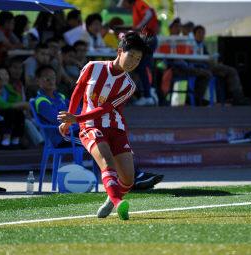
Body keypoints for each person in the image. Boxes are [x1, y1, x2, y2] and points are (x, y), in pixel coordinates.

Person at [57, 32, 152, 220]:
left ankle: (112, 197)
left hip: (116, 128)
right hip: (90, 125)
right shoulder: (92, 67)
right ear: (119, 52)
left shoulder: (129, 86)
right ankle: (118, 203)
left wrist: (75, 118)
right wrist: (71, 118)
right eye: (131, 55)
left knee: (128, 179)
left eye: (138, 59)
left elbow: (106, 108)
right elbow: (78, 91)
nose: (134, 61)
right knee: (107, 163)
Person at [35, 65, 163, 190]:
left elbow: (81, 111)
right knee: (105, 144)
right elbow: (59, 119)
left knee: (114, 140)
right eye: (46, 78)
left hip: (79, 130)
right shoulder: (40, 101)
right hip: (64, 138)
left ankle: (134, 176)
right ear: (38, 81)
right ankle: (134, 178)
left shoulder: (61, 97)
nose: (51, 81)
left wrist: (81, 119)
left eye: (52, 78)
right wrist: (78, 120)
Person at [193, 25, 251, 105]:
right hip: (204, 67)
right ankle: (237, 97)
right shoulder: (191, 45)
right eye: (199, 33)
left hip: (210, 66)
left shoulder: (202, 46)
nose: (201, 35)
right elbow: (194, 58)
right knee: (230, 71)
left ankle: (236, 96)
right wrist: (207, 60)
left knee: (230, 72)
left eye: (203, 33)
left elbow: (208, 57)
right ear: (194, 34)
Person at [118, 0, 159, 106]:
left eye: (124, 4)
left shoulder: (138, 3)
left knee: (142, 67)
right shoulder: (136, 7)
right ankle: (147, 93)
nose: (124, 7)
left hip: (147, 38)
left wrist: (139, 26)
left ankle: (147, 95)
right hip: (148, 38)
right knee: (140, 68)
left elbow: (148, 14)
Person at [163, 18, 212, 106]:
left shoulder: (184, 41)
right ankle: (195, 100)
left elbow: (188, 56)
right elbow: (169, 58)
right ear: (170, 28)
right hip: (174, 69)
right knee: (205, 73)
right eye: (176, 27)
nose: (178, 29)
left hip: (184, 67)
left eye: (179, 27)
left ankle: (195, 99)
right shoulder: (167, 40)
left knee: (205, 73)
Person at [0, 65, 29, 149]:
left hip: (4, 115)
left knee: (19, 112)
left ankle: (15, 140)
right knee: (9, 111)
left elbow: (16, 98)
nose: (5, 77)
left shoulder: (6, 88)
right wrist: (21, 104)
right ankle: (5, 141)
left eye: (6, 74)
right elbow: (1, 105)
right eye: (2, 74)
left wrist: (9, 88)